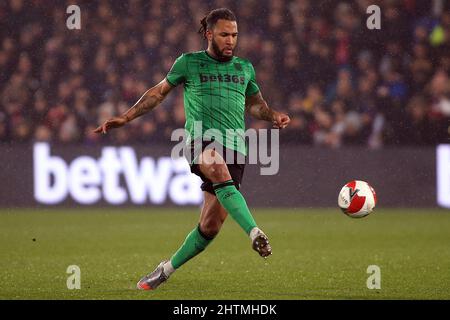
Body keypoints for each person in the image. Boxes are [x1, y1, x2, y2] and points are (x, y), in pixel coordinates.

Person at [94, 8, 290, 291]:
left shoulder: (244, 68)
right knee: (216, 166)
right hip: (201, 142)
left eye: (234, 35)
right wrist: (126, 117)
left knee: (209, 227)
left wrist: (273, 116)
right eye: (224, 34)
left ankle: (165, 270)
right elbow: (157, 93)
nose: (230, 40)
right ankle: (255, 232)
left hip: (237, 149)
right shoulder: (188, 63)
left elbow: (255, 104)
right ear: (209, 34)